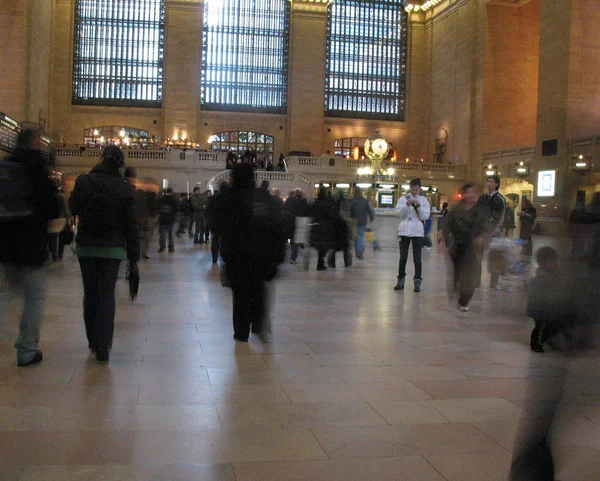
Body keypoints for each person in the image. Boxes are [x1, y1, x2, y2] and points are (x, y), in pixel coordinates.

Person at [69, 145, 140, 362]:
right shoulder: (126, 188)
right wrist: (134, 256)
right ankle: (103, 345)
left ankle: (92, 340)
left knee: (90, 293)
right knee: (107, 293)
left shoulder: (84, 181)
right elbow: (131, 226)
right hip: (112, 248)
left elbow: (74, 208)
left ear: (100, 159)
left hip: (87, 246)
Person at [0, 128, 59, 366]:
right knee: (33, 299)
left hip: (4, 244)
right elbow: (51, 208)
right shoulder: (37, 168)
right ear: (35, 143)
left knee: (6, 295)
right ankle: (26, 350)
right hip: (31, 245)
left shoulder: (5, 166)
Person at [213, 164, 286, 342]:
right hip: (261, 255)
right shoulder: (262, 199)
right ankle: (258, 324)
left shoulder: (227, 199)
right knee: (258, 290)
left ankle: (241, 331)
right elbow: (276, 228)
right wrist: (277, 256)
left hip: (236, 256)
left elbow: (216, 226)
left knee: (240, 296)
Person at [442, 183, 486, 311]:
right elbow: (447, 225)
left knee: (471, 276)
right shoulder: (456, 210)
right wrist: (444, 241)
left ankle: (464, 301)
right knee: (458, 273)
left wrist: (483, 237)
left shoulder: (481, 210)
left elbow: (486, 227)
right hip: (458, 246)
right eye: (469, 192)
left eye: (474, 192)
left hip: (474, 248)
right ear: (464, 194)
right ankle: (456, 287)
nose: (471, 195)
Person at [527, 246, 573, 353]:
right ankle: (536, 343)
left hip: (554, 307)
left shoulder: (558, 275)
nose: (555, 263)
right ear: (542, 263)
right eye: (552, 261)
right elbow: (535, 296)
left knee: (557, 324)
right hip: (540, 309)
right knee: (540, 327)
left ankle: (555, 338)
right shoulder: (538, 279)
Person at [394, 178, 431, 292]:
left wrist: (418, 206)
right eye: (412, 189)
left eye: (416, 189)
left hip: (417, 232)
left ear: (419, 188)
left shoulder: (424, 200)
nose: (414, 192)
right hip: (404, 231)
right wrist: (406, 205)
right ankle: (400, 281)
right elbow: (399, 214)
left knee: (417, 258)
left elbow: (425, 216)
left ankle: (417, 282)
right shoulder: (403, 199)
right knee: (403, 258)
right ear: (409, 188)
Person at [476, 174, 506, 289]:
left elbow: (499, 217)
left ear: (497, 184)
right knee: (478, 256)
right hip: (481, 231)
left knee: (494, 257)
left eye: (492, 182)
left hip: (493, 232)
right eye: (488, 181)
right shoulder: (482, 198)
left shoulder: (499, 199)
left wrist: (494, 230)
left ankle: (494, 282)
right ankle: (476, 280)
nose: (489, 184)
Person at [124, 167, 151, 259]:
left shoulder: (140, 192)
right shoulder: (130, 190)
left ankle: (139, 252)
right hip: (132, 220)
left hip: (137, 219)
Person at [311, 187, 337, 271]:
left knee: (319, 246)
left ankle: (320, 263)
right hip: (325, 227)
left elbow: (311, 213)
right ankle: (320, 263)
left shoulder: (315, 203)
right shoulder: (327, 204)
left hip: (316, 226)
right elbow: (332, 215)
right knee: (324, 246)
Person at [328, 191, 352, 268]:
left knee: (335, 247)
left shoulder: (335, 203)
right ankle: (347, 262)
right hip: (344, 225)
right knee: (345, 247)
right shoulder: (346, 203)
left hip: (336, 225)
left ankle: (332, 263)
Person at [350, 187, 375, 260]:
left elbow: (349, 210)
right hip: (362, 221)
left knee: (355, 236)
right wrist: (371, 218)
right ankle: (360, 252)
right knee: (361, 236)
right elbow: (369, 210)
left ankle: (357, 251)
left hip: (353, 221)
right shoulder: (364, 200)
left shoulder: (351, 200)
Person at [156, 188, 178, 253]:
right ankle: (171, 247)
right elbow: (176, 209)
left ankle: (162, 247)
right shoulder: (174, 200)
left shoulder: (160, 199)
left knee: (162, 233)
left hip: (162, 219)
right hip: (170, 219)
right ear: (171, 192)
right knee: (170, 233)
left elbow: (158, 208)